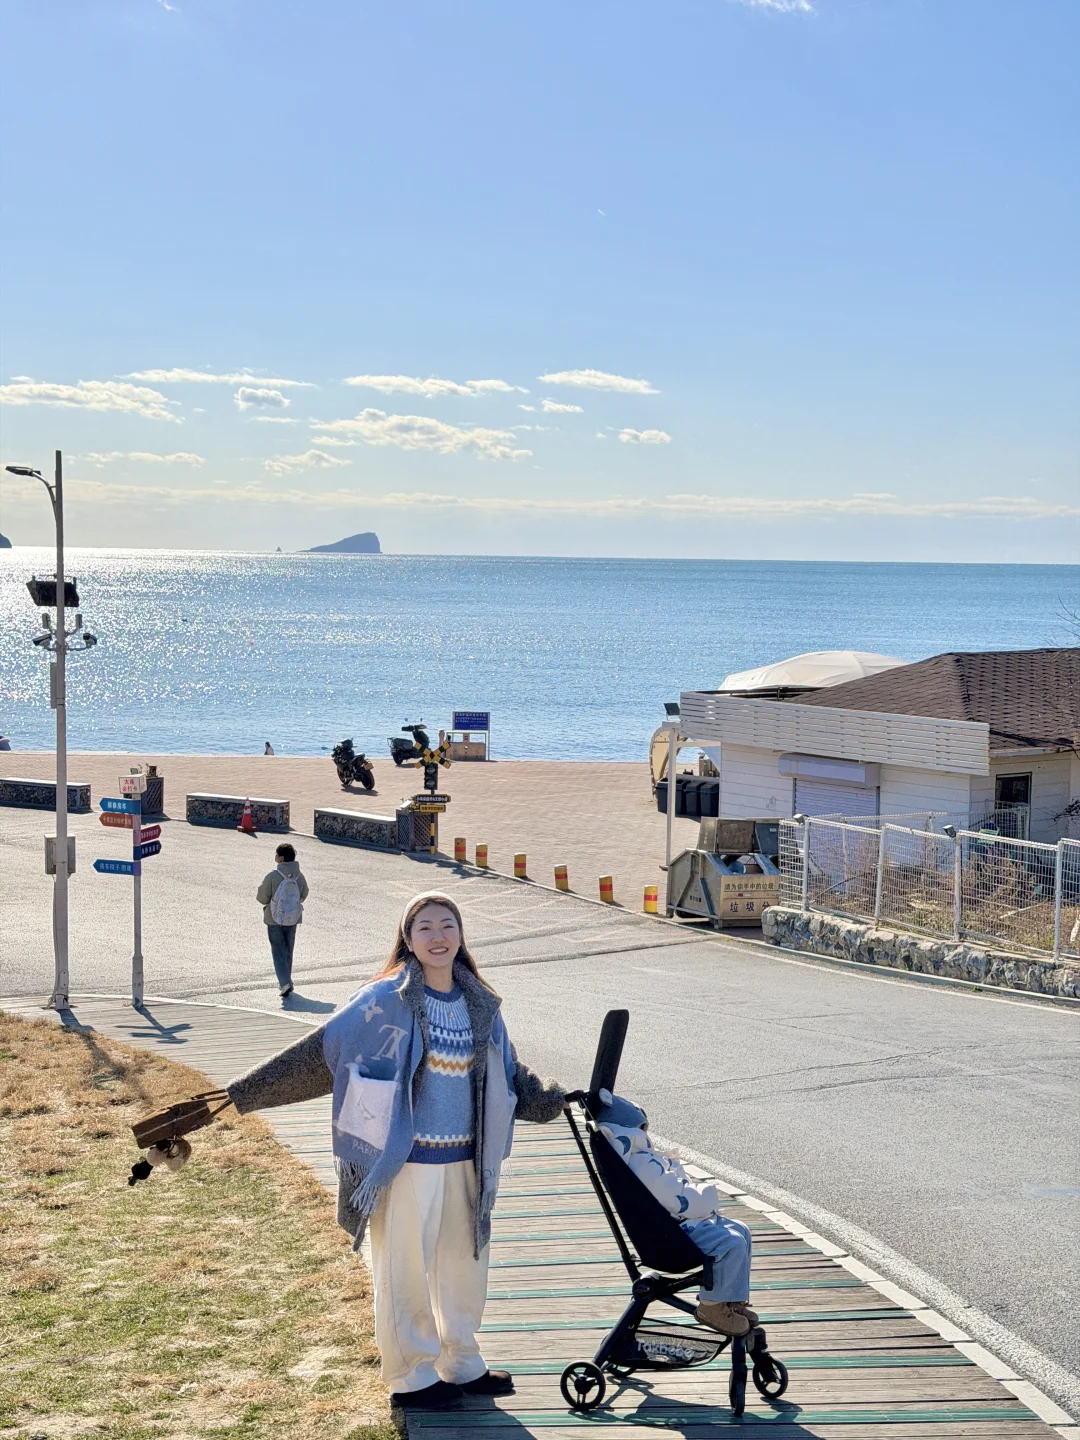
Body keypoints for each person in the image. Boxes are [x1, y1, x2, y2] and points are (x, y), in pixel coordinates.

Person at [224, 891, 566, 1410]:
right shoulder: (385, 998)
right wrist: (246, 1092)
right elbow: (321, 1051)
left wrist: (549, 1098)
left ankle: (461, 1361)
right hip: (404, 1161)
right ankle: (412, 1376)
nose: (438, 936)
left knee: (463, 1266)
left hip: (468, 1159)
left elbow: (509, 1070)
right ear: (407, 938)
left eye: (447, 925)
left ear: (461, 935)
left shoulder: (480, 1001)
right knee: (403, 1269)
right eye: (425, 927)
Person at [596, 1090, 757, 1337]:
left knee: (740, 1230)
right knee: (731, 1243)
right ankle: (712, 1307)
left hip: (674, 1228)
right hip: (675, 1237)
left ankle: (730, 1299)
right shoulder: (642, 1164)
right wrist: (706, 1197)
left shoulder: (636, 1160)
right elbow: (677, 1199)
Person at [256, 843, 309, 999]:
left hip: (274, 919)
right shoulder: (299, 876)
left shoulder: (273, 876)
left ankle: (284, 983)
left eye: (276, 854)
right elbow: (305, 892)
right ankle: (288, 980)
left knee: (278, 950)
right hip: (292, 918)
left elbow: (262, 897)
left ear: (281, 858)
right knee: (288, 950)